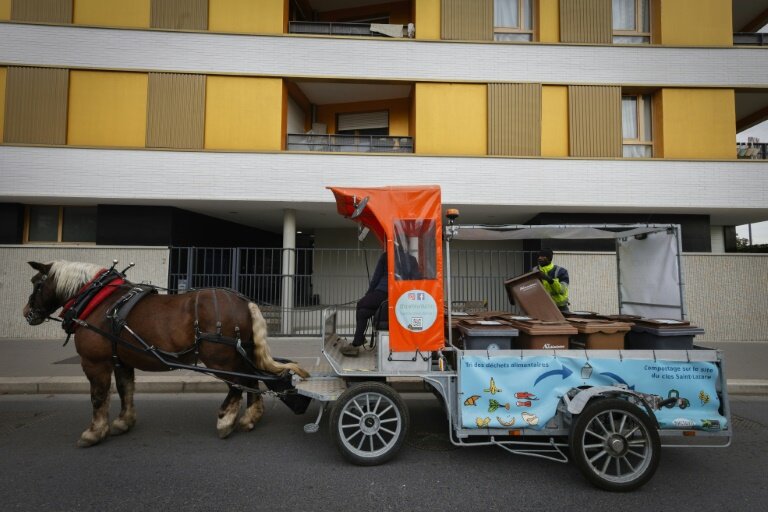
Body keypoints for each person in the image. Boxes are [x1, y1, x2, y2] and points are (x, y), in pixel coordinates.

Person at [341, 251, 388, 357]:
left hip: (383, 292)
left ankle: (358, 341)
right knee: (363, 312)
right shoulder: (411, 259)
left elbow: (376, 278)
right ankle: (358, 340)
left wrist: (368, 294)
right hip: (398, 296)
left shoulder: (386, 256)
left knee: (361, 304)